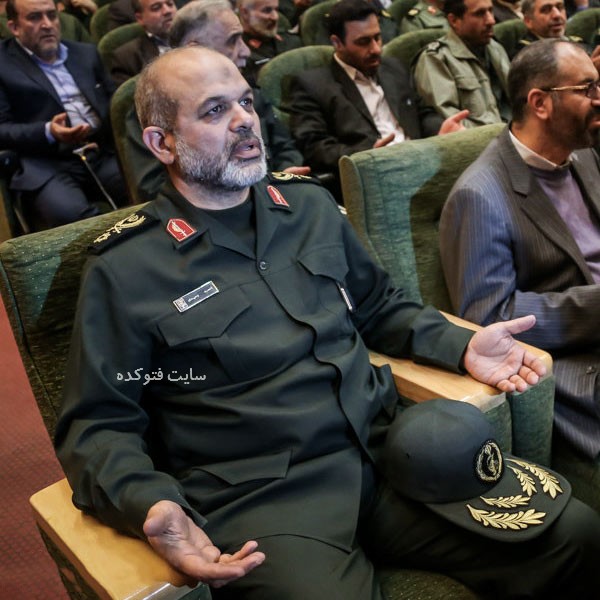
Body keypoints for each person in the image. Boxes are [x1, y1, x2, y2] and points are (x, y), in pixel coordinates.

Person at [55, 44, 600, 599]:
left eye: (246, 102)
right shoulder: (126, 269)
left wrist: (461, 345)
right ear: (161, 143)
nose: (244, 120)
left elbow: (379, 306)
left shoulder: (308, 207)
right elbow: (98, 423)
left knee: (574, 536)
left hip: (387, 454)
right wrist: (147, 502)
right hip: (266, 500)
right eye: (215, 110)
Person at [439, 39, 600, 462]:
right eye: (587, 89)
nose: (599, 98)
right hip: (579, 364)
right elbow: (489, 318)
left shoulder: (582, 154)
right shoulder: (480, 195)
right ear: (540, 103)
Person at [121, 0, 308, 203]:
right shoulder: (154, 108)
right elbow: (151, 189)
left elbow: (284, 146)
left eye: (245, 103)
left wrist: (285, 174)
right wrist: (256, 188)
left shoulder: (246, 89)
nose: (245, 51)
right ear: (195, 48)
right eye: (233, 40)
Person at [286, 0, 467, 191]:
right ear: (337, 43)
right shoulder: (313, 85)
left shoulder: (393, 68)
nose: (376, 49)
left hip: (421, 162)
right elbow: (314, 147)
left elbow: (421, 113)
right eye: (363, 42)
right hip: (373, 179)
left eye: (377, 38)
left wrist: (441, 129)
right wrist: (367, 156)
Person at [0, 0, 128, 229]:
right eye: (35, 17)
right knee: (72, 217)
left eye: (51, 15)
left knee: (150, 184)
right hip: (46, 163)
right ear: (14, 27)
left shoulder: (85, 54)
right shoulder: (3, 64)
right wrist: (48, 131)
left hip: (98, 151)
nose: (47, 24)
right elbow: (2, 128)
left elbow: (116, 105)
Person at [414, 0, 511, 128]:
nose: (491, 20)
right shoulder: (436, 58)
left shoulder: (495, 48)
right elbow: (452, 122)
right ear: (454, 21)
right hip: (481, 137)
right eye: (479, 14)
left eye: (491, 11)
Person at [110, 0, 177, 87]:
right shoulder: (125, 58)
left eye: (170, 4)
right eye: (156, 8)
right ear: (140, 18)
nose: (167, 11)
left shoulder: (194, 36)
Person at [237, 0, 301, 85]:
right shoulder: (238, 54)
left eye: (276, 10)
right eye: (267, 10)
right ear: (245, 13)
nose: (275, 17)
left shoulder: (293, 42)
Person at [510, 0, 585, 58]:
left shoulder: (578, 43)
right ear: (528, 21)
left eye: (560, 8)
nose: (557, 15)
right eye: (546, 10)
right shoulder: (524, 54)